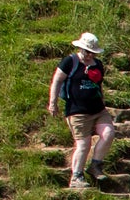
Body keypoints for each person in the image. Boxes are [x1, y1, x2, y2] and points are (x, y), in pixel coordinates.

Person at [49, 32, 116, 188]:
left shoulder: (98, 65)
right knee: (83, 144)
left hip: (98, 110)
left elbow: (99, 86)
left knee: (109, 133)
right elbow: (57, 81)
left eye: (92, 52)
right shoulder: (70, 62)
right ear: (80, 49)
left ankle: (95, 165)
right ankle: (76, 177)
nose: (89, 55)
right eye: (87, 52)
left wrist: (103, 101)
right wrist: (53, 103)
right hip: (77, 111)